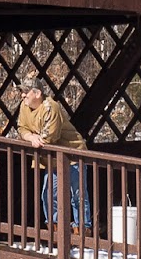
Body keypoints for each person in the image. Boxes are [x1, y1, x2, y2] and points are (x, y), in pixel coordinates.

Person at [14, 77, 90, 229]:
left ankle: (82, 228)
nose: (23, 95)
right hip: (52, 159)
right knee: (48, 194)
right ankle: (54, 228)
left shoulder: (50, 107)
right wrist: (31, 137)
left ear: (37, 93)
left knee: (77, 195)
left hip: (73, 155)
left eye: (26, 92)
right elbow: (21, 128)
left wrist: (36, 139)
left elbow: (50, 137)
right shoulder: (24, 106)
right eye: (22, 92)